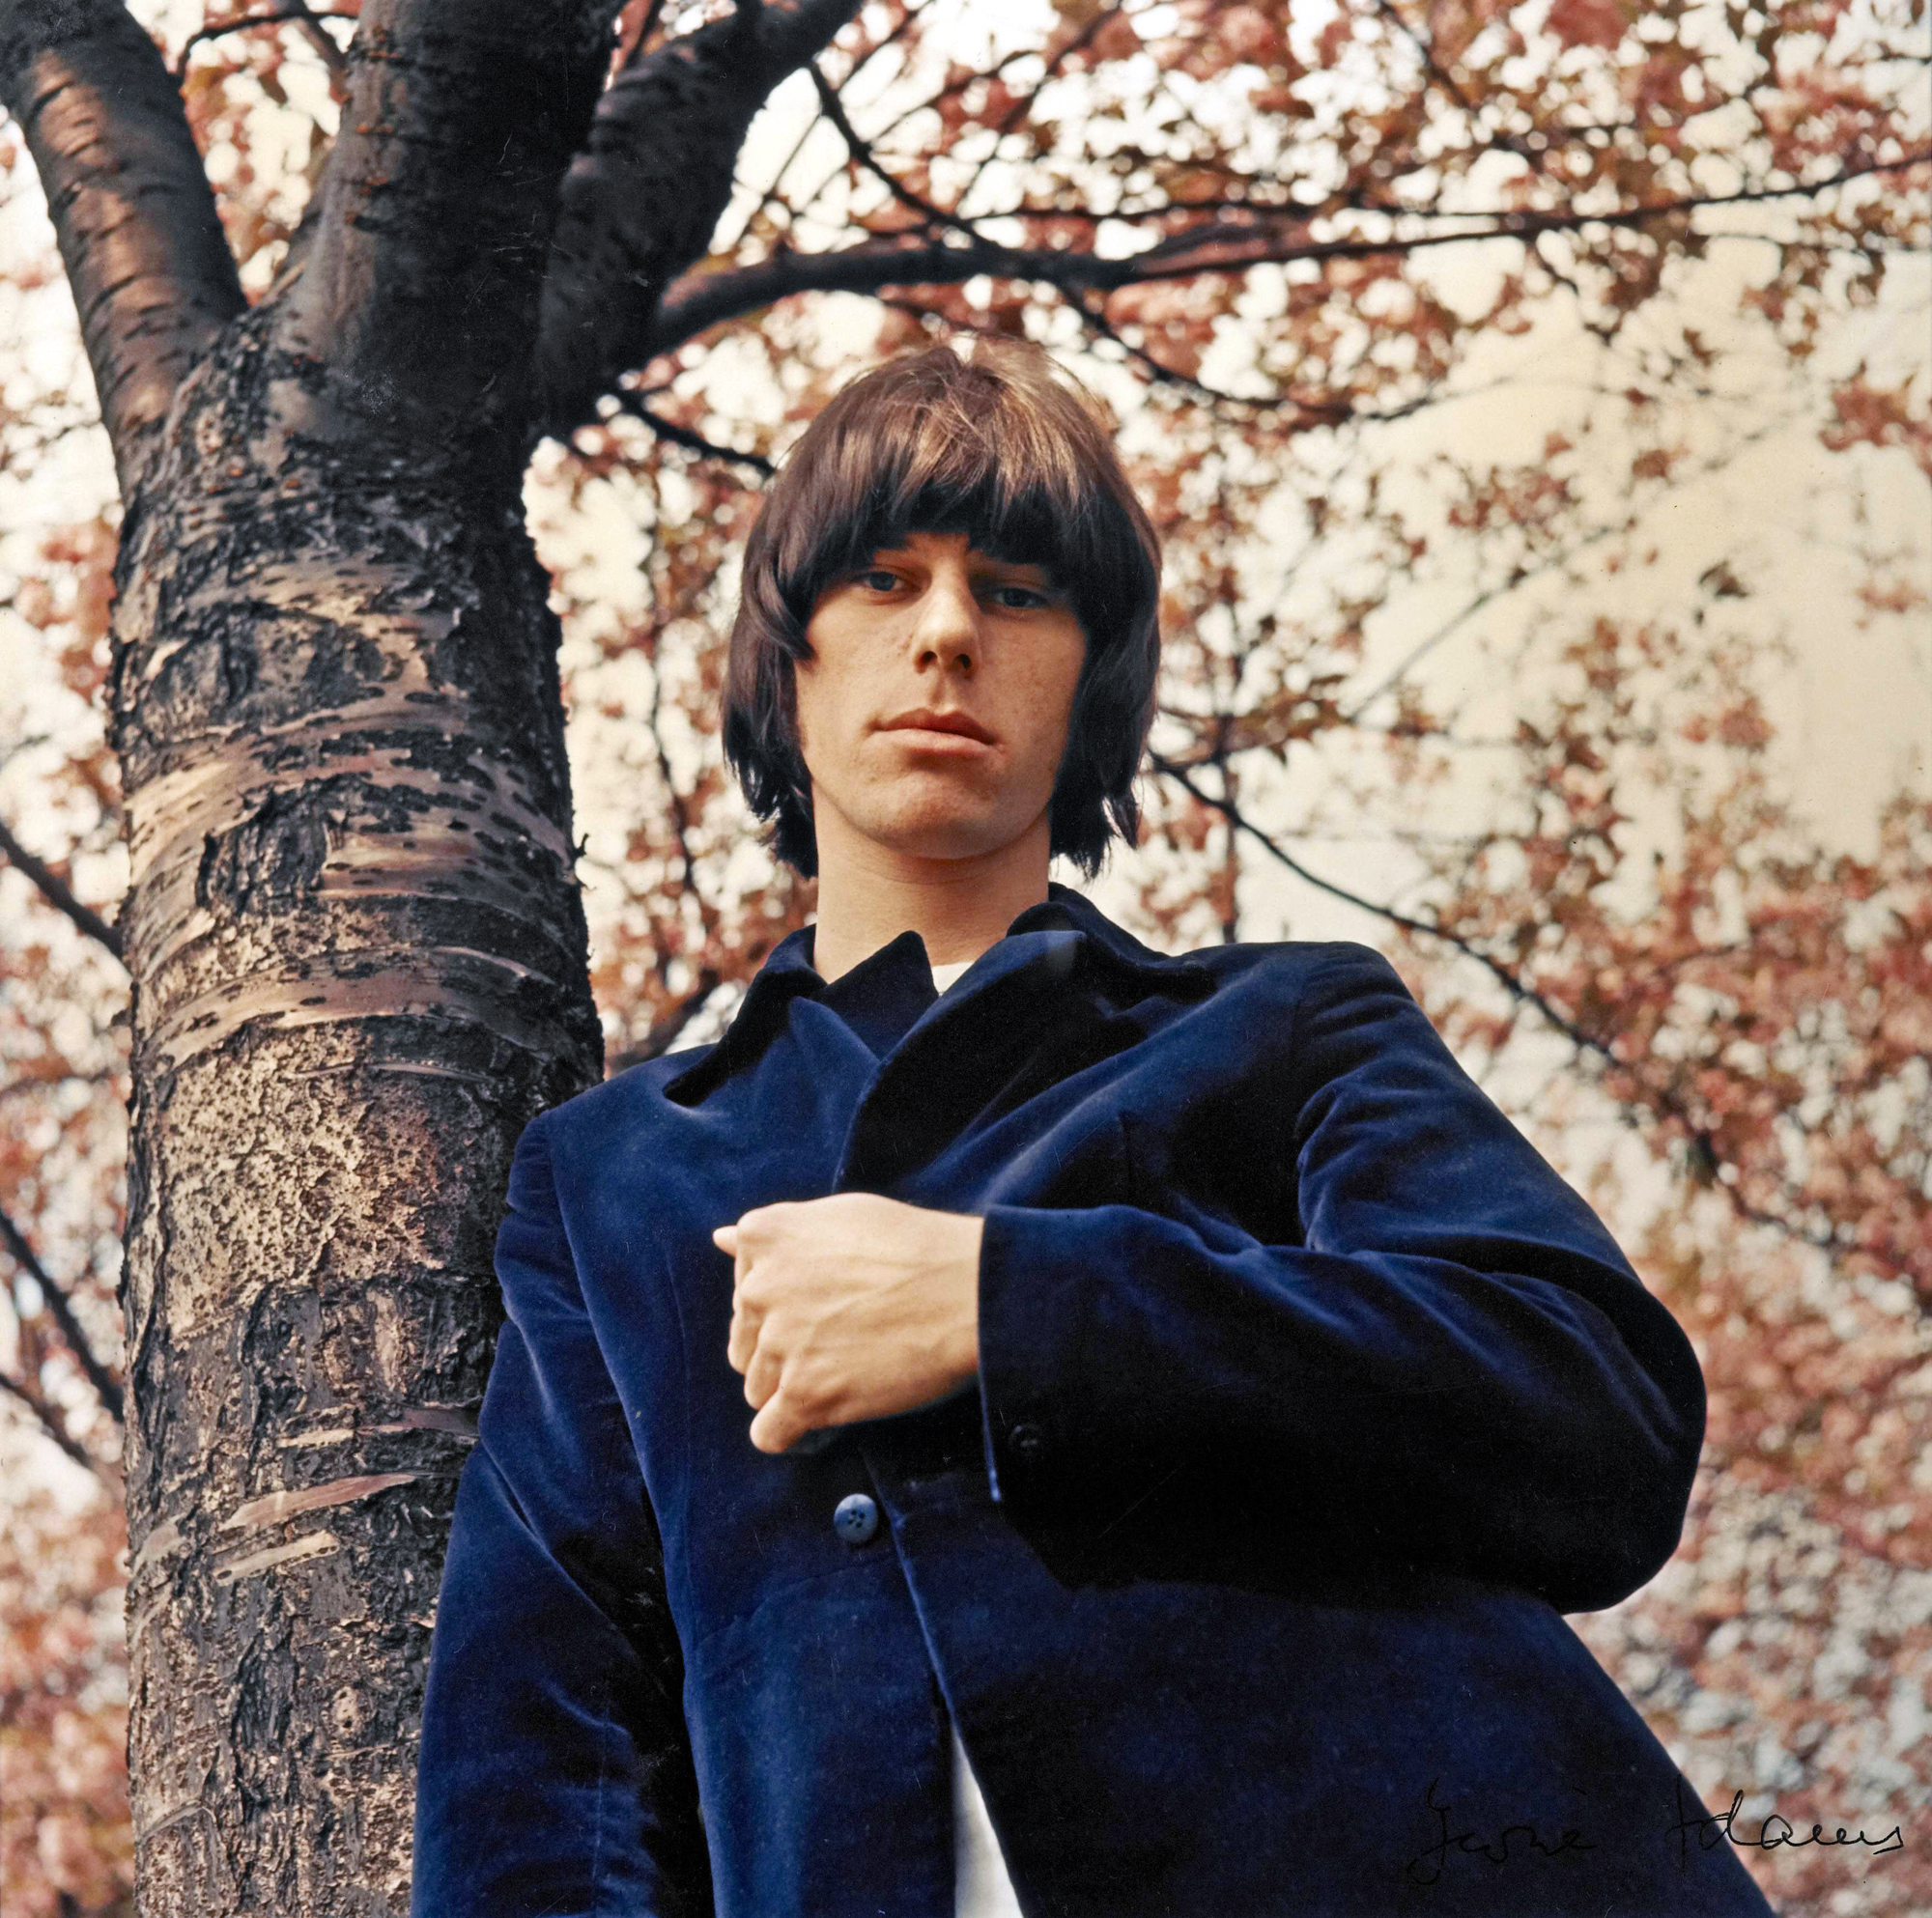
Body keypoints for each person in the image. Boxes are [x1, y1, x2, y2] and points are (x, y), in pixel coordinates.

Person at [410, 342, 1772, 1916]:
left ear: (1091, 682)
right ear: (787, 663)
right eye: (882, 579)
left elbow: (1595, 1409)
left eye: (1016, 592)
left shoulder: (1285, 1026)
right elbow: (544, 1760)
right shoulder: (616, 1174)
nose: (946, 633)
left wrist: (1013, 1304)